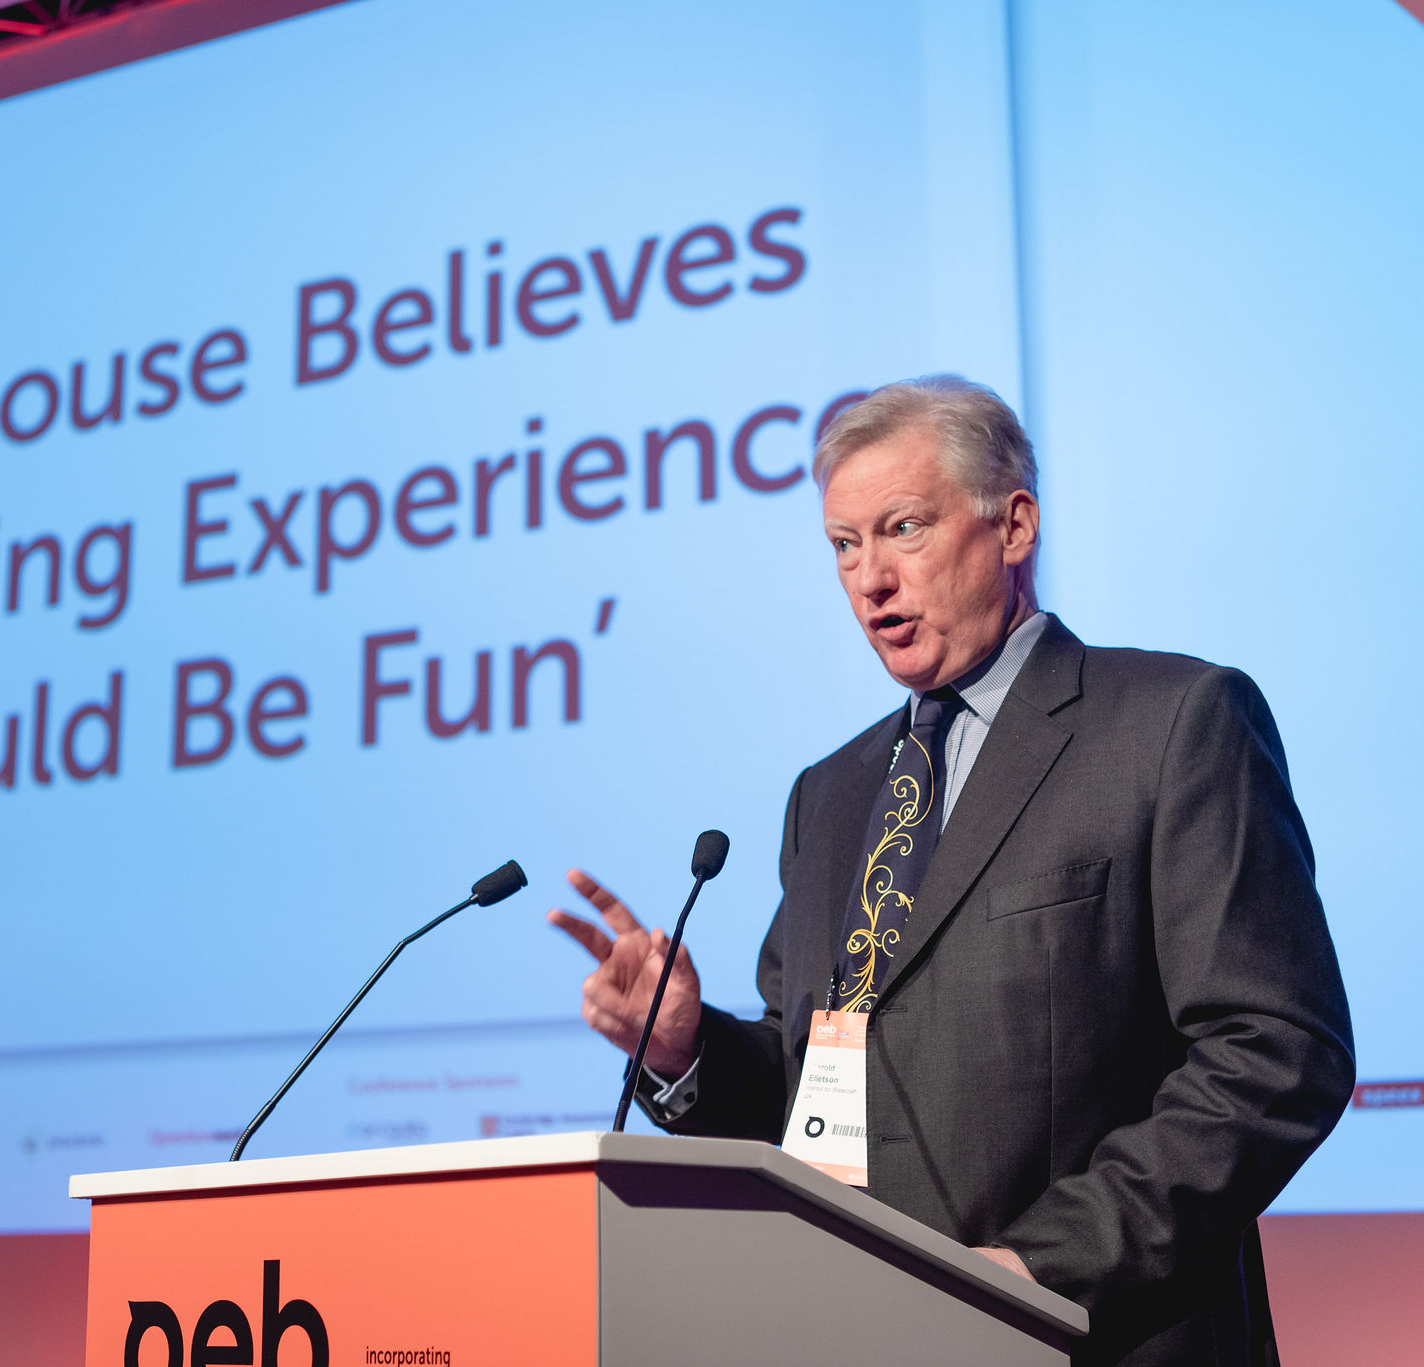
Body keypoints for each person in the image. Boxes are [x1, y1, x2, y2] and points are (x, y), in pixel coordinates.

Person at [550, 375, 1354, 1367]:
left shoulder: (1169, 724)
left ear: (1013, 525)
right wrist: (684, 1049)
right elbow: (810, 1095)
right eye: (844, 545)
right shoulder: (830, 794)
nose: (870, 577)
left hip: (1087, 1336)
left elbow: (1272, 1053)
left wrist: (1036, 1270)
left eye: (903, 528)